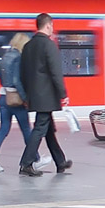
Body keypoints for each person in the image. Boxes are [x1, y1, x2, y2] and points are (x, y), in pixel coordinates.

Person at [18, 13, 71, 176]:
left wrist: (27, 94)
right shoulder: (49, 45)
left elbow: (22, 74)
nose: (52, 29)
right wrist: (63, 94)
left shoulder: (27, 46)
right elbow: (56, 72)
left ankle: (60, 161)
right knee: (40, 128)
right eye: (52, 26)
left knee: (48, 129)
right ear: (48, 25)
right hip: (47, 96)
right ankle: (26, 163)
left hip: (35, 95)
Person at [0, 33, 40, 172]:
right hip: (15, 100)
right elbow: (17, 81)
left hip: (3, 97)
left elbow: (1, 78)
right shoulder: (18, 57)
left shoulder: (5, 56)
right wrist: (25, 99)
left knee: (3, 129)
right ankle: (36, 159)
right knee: (26, 130)